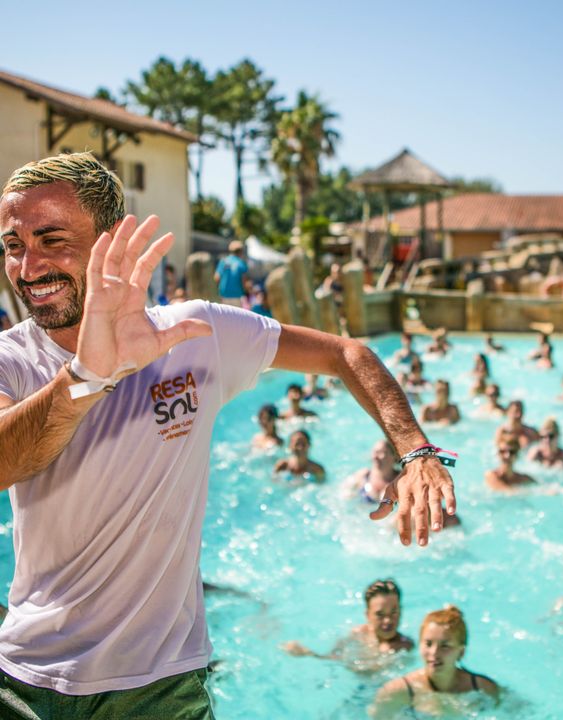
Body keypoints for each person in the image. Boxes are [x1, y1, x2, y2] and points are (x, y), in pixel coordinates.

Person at [0, 152, 455, 716]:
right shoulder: (10, 360)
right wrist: (87, 377)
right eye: (13, 246)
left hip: (161, 687)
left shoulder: (196, 332)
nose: (27, 267)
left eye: (51, 239)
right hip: (24, 680)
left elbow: (345, 353)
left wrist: (417, 451)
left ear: (113, 241)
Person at [371, 607, 498, 718]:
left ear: (461, 652)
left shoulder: (483, 689)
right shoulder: (396, 692)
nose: (434, 653)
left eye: (445, 646)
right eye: (428, 644)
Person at [282, 579, 413, 673]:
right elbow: (332, 657)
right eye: (380, 614)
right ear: (367, 615)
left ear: (401, 611)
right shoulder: (358, 633)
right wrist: (305, 652)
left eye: (394, 612)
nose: (387, 620)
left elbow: (367, 672)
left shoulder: (404, 646)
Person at [345, 440, 399, 505]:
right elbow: (343, 495)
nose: (375, 457)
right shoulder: (363, 476)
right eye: (374, 452)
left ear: (394, 456)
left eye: (380, 452)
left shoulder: (401, 480)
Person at [213, 239, 249, 307]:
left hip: (223, 295)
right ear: (241, 251)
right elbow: (244, 281)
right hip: (237, 296)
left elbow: (216, 278)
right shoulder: (241, 263)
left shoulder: (223, 261)